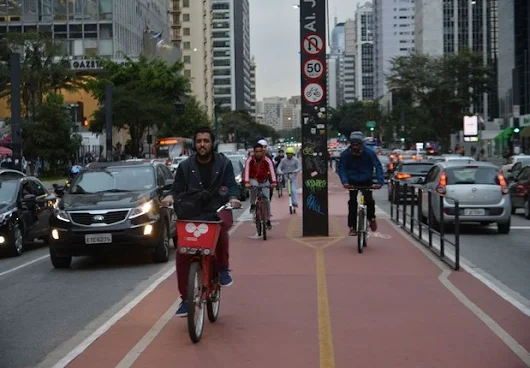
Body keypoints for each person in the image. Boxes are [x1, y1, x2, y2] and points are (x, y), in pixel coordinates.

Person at [162, 126, 241, 317]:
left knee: (221, 230)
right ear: (194, 144)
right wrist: (170, 197)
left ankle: (222, 269)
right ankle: (185, 299)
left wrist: (233, 198)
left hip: (217, 210)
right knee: (182, 252)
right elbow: (177, 188)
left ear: (212, 143)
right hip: (192, 212)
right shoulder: (185, 166)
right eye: (199, 141)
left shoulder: (224, 164)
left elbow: (232, 185)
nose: (202, 144)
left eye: (206, 141)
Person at [338, 131, 384, 236]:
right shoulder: (346, 154)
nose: (355, 147)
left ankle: (372, 219)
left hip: (366, 180)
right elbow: (342, 169)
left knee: (369, 200)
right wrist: (345, 182)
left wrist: (380, 182)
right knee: (352, 202)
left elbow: (378, 166)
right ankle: (352, 227)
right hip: (352, 181)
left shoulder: (369, 153)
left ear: (362, 144)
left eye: (357, 144)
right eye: (353, 144)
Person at [244, 142, 277, 229]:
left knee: (267, 200)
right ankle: (252, 205)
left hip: (264, 180)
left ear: (263, 152)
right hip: (253, 179)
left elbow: (272, 171)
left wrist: (274, 182)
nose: (258, 153)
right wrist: (247, 182)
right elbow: (246, 171)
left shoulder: (267, 160)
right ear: (254, 152)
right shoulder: (249, 160)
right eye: (256, 152)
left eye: (260, 151)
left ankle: (268, 220)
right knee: (254, 187)